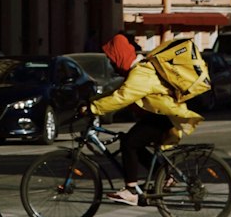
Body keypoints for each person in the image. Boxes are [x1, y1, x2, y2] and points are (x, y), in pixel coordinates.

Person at [87, 31, 204, 205]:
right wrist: (91, 101)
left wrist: (92, 109)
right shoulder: (139, 71)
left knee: (129, 143)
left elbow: (123, 97)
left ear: (120, 56)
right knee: (132, 141)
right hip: (161, 115)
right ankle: (164, 177)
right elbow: (117, 93)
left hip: (165, 117)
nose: (111, 64)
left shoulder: (141, 73)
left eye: (112, 59)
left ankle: (131, 190)